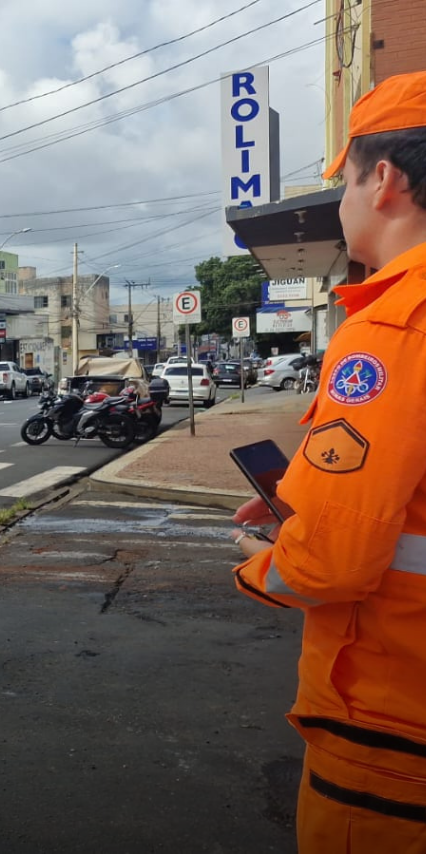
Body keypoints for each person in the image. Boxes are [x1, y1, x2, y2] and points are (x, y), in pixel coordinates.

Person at [231, 71, 426, 852]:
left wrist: (262, 561)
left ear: (385, 182)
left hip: (392, 726)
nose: (342, 202)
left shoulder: (394, 329)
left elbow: (331, 565)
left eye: (345, 182)